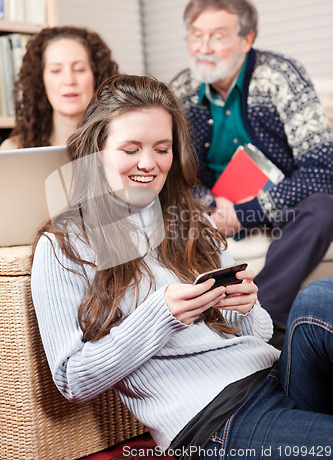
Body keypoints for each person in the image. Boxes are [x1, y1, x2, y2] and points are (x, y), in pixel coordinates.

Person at [31, 74, 333, 460]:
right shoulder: (63, 247)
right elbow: (72, 379)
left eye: (162, 148)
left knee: (320, 298)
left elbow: (256, 331)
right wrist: (162, 314)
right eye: (130, 149)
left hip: (273, 375)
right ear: (97, 151)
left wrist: (243, 307)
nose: (148, 163)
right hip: (214, 419)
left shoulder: (192, 221)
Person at [170, 0, 333, 344]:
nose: (204, 47)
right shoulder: (180, 89)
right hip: (210, 209)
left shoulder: (281, 76)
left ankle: (265, 321)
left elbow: (321, 167)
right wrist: (210, 207)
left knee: (324, 208)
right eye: (196, 36)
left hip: (279, 206)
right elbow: (176, 172)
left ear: (247, 39)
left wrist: (246, 212)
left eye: (217, 36)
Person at [0, 25, 118, 150]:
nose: (69, 80)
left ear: (97, 76)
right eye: (56, 70)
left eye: (79, 69)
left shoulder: (121, 145)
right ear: (40, 80)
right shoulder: (14, 149)